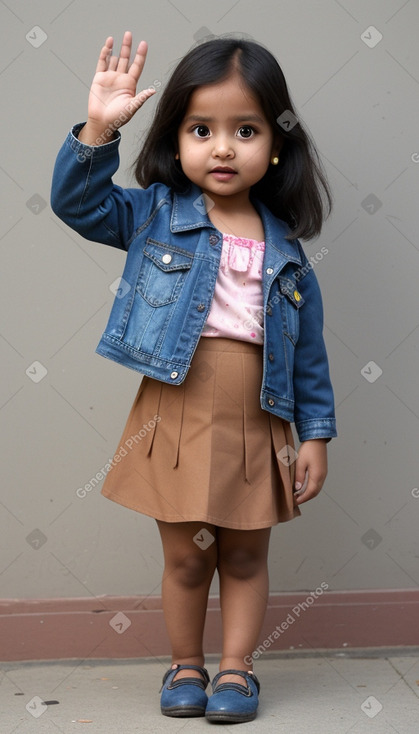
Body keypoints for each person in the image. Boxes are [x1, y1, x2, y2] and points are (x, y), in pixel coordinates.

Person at [51, 31, 337, 724]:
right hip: (174, 407)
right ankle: (185, 664)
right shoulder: (153, 215)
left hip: (259, 412)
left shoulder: (287, 253)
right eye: (200, 128)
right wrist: (97, 127)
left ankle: (237, 670)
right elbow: (79, 205)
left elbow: (308, 356)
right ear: (174, 139)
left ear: (275, 144)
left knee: (243, 555)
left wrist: (315, 435)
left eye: (245, 129)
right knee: (186, 559)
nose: (222, 147)